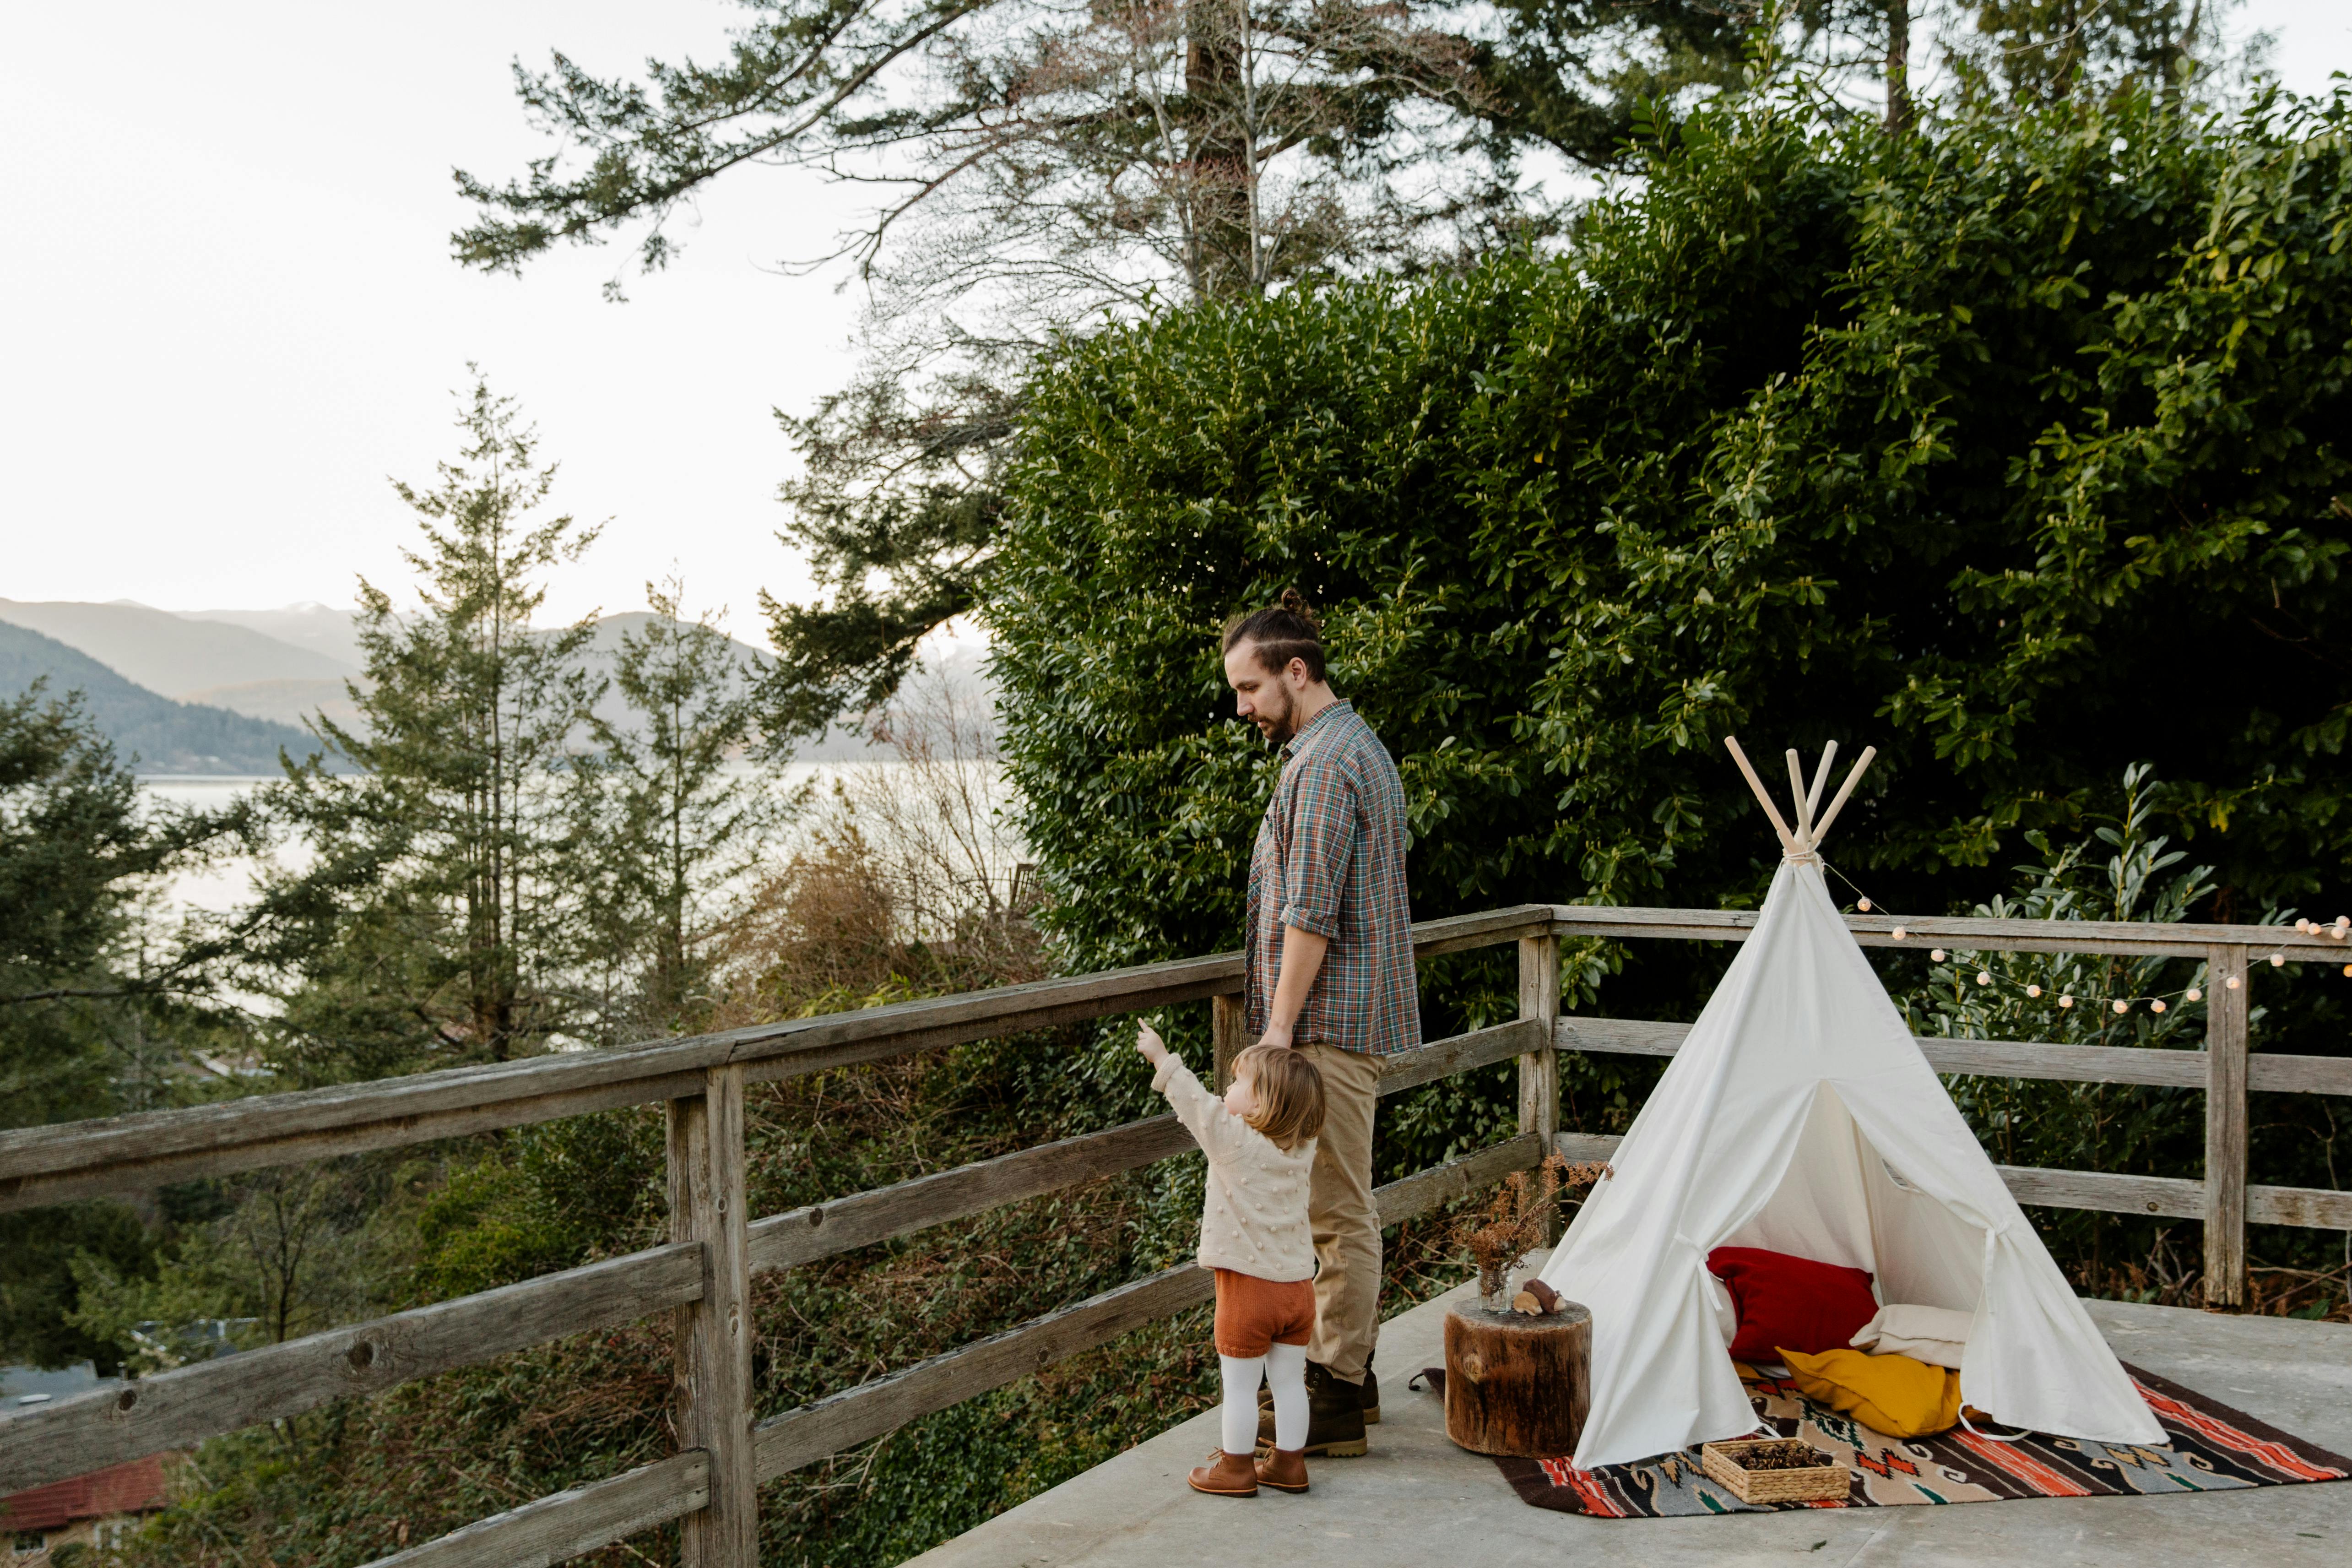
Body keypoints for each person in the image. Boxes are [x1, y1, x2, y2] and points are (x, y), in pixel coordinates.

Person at [1221, 590, 1417, 1458]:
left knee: (1335, 1211)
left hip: (1327, 1025)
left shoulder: (1324, 765)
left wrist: (1275, 1031)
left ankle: (1335, 1391)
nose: (1242, 709)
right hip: (1337, 1019)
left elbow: (1311, 914)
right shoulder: (1349, 748)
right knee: (1329, 1206)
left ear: (1295, 673)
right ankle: (1353, 1375)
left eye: (1250, 689)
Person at [1134, 1020, 1327, 1497]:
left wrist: (1161, 1056)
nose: (1228, 1088)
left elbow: (1195, 1103)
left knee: (1240, 1386)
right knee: (1287, 1382)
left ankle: (1236, 1469)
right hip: (1298, 1288)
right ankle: (1289, 1464)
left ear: (1262, 1104)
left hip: (1248, 1289)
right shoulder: (1302, 1148)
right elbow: (1215, 1111)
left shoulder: (1234, 1143)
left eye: (1239, 1083)